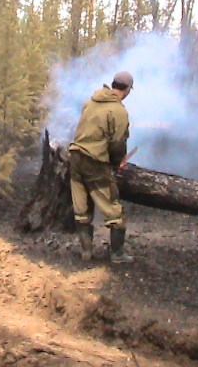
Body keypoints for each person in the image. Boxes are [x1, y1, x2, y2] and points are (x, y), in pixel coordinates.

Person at [68, 71, 134, 263]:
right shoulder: (118, 111)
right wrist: (116, 163)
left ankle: (86, 252)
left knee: (81, 208)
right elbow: (118, 143)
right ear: (128, 89)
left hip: (75, 157)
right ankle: (117, 254)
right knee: (113, 210)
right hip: (94, 162)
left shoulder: (89, 102)